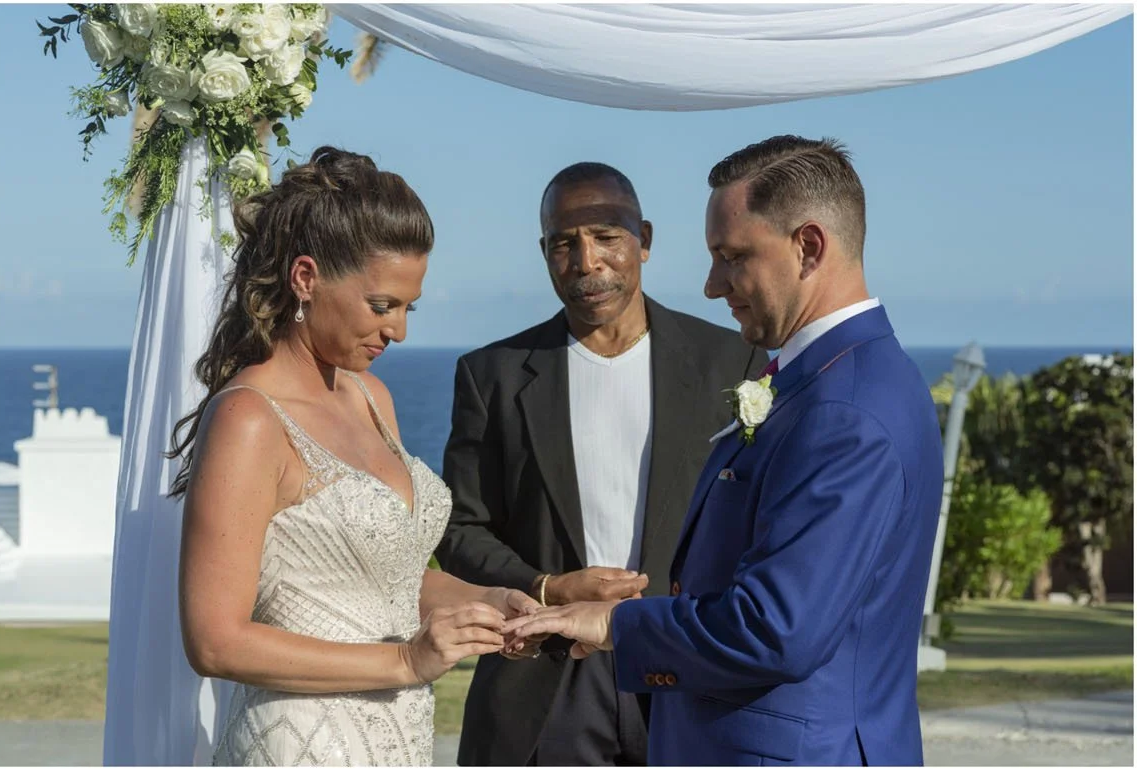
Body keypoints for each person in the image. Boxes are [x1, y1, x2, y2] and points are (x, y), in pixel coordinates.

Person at [506, 136, 943, 766]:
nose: (712, 286)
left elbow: (777, 628)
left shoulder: (845, 409)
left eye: (733, 256)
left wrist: (614, 625)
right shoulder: (825, 380)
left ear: (809, 247)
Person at [168, 146, 539, 767]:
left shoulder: (373, 397)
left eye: (407, 307)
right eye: (381, 305)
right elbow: (213, 641)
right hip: (299, 743)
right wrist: (405, 660)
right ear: (306, 278)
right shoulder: (248, 420)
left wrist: (487, 603)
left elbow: (382, 578)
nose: (398, 331)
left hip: (397, 739)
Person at [437, 162, 765, 765]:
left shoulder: (733, 364)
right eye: (564, 243)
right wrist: (549, 587)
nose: (586, 262)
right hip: (548, 683)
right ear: (545, 253)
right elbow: (459, 529)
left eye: (607, 237)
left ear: (644, 238)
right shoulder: (493, 375)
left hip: (683, 667)